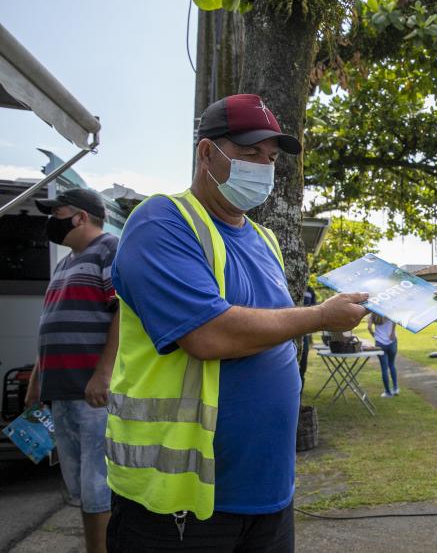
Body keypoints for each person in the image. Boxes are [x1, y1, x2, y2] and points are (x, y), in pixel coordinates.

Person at [104, 94, 368, 552]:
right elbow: (208, 334)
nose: (263, 167)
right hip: (183, 502)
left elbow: (272, 326)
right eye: (249, 153)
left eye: (269, 158)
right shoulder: (163, 221)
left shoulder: (264, 239)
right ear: (207, 153)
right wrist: (321, 316)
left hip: (268, 494)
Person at [24, 188, 118, 553]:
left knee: (98, 485)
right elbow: (50, 323)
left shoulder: (109, 249)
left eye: (57, 212)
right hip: (61, 390)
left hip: (91, 392)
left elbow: (122, 310)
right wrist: (37, 381)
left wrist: (104, 372)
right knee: (81, 485)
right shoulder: (65, 263)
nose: (52, 220)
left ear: (80, 217)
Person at [367, 313, 398, 397]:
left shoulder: (373, 314)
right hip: (392, 341)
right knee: (392, 364)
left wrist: (374, 335)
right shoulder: (389, 311)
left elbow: (369, 327)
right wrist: (392, 333)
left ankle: (388, 392)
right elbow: (396, 321)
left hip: (380, 343)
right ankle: (395, 388)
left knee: (384, 368)